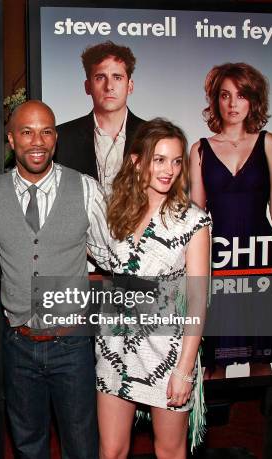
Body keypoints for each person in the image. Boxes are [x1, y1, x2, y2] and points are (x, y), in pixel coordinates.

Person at [0, 100, 109, 458]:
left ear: (56, 138)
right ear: (11, 139)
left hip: (72, 345)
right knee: (27, 445)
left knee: (82, 445)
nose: (38, 141)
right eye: (27, 131)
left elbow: (109, 253)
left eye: (46, 131)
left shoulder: (85, 189)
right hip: (18, 343)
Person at [96, 118, 211, 459]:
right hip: (114, 348)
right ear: (137, 161)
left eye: (176, 161)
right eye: (159, 159)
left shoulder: (193, 220)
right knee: (111, 450)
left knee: (169, 452)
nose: (169, 170)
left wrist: (184, 370)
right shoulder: (117, 211)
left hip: (167, 353)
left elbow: (197, 300)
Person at [189, 63, 272, 375]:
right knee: (214, 360)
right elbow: (196, 216)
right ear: (215, 100)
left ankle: (265, 427)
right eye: (225, 95)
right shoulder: (199, 149)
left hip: (262, 256)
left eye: (240, 96)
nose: (232, 104)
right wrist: (194, 273)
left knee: (262, 356)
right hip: (220, 261)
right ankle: (208, 426)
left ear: (252, 100)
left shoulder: (268, 142)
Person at [55, 41, 145, 196]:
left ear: (130, 86)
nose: (109, 86)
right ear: (87, 86)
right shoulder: (62, 137)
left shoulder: (153, 136)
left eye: (117, 77)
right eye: (100, 77)